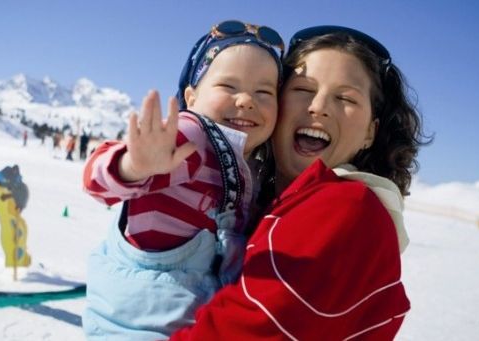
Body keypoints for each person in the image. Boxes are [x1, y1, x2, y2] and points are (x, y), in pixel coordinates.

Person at [167, 25, 425, 340]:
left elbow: (250, 329)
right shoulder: (257, 202)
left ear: (370, 132)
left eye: (345, 98)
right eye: (303, 90)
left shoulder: (346, 206)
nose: (318, 107)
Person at [82, 20, 284, 339]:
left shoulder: (252, 167)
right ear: (191, 97)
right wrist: (132, 166)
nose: (246, 100)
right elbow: (96, 179)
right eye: (229, 86)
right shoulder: (191, 137)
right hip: (136, 326)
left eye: (264, 92)